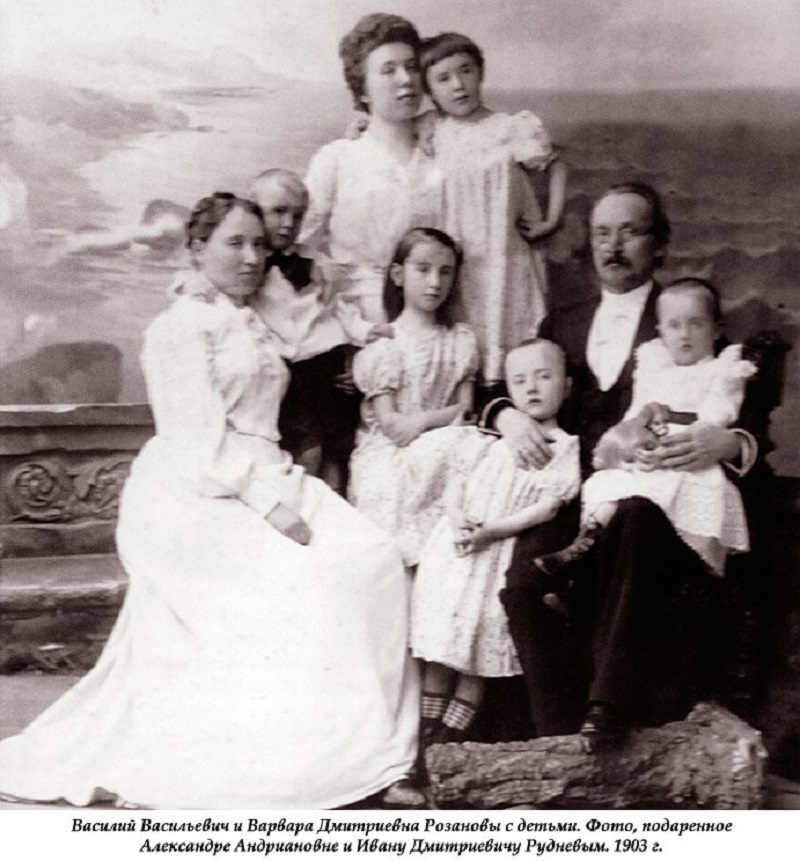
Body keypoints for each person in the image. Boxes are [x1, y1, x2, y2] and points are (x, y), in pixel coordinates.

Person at [0, 193, 423, 809]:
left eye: (259, 244)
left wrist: (361, 321)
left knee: (375, 560)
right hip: (197, 490)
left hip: (269, 470)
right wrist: (270, 506)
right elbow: (195, 440)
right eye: (234, 243)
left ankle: (366, 748)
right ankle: (298, 751)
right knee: (314, 579)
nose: (251, 257)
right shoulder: (179, 328)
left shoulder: (252, 314)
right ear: (197, 249)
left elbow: (316, 328)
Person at [483, 182, 761, 747]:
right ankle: (559, 743)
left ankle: (607, 718)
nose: (613, 247)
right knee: (525, 584)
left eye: (629, 232)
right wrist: (507, 416)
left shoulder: (683, 315)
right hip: (572, 495)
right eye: (601, 234)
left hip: (657, 495)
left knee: (635, 523)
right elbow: (510, 383)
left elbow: (740, 407)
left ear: (659, 244)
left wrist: (728, 443)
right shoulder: (562, 322)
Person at [537, 278, 756, 612]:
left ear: (716, 330)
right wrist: (639, 430)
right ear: (661, 332)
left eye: (696, 324)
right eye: (674, 325)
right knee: (608, 484)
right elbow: (633, 417)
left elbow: (718, 415)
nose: (684, 334)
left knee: (656, 502)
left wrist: (682, 427)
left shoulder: (721, 370)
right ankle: (582, 563)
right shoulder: (655, 369)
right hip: (650, 455)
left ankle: (687, 580)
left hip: (689, 458)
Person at [410, 339, 580, 745]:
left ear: (567, 386)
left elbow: (547, 508)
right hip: (457, 546)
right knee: (442, 640)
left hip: (496, 549)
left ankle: (451, 740)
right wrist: (455, 515)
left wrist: (494, 530)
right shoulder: (488, 438)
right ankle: (425, 737)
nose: (532, 388)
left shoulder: (563, 446)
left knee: (476, 643)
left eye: (544, 377)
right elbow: (457, 481)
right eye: (520, 381)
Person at [417, 32, 568, 392]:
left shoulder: (510, 128)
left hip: (505, 256)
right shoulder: (434, 130)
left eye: (466, 71)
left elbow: (557, 164)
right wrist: (360, 124)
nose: (458, 85)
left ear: (481, 73)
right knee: (463, 343)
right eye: (443, 79)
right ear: (430, 90)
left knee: (515, 343)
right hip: (460, 259)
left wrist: (552, 219)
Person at [249, 168, 391, 493]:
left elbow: (337, 307)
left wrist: (365, 332)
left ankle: (336, 511)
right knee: (308, 450)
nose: (289, 223)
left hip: (330, 365)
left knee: (338, 449)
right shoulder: (249, 264)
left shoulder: (314, 261)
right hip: (294, 373)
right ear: (255, 211)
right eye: (278, 211)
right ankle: (307, 509)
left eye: (298, 215)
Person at [300, 13, 445, 327]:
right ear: (363, 90)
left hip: (434, 317)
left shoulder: (443, 154)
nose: (406, 79)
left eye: (412, 66)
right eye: (388, 70)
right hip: (352, 321)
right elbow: (299, 243)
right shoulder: (337, 159)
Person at [348, 227, 478, 544]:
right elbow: (394, 427)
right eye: (423, 270)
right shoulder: (386, 345)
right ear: (398, 275)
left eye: (445, 272)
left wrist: (423, 421)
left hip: (445, 447)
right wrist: (442, 418)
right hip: (391, 458)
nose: (435, 282)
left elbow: (467, 410)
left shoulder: (460, 340)